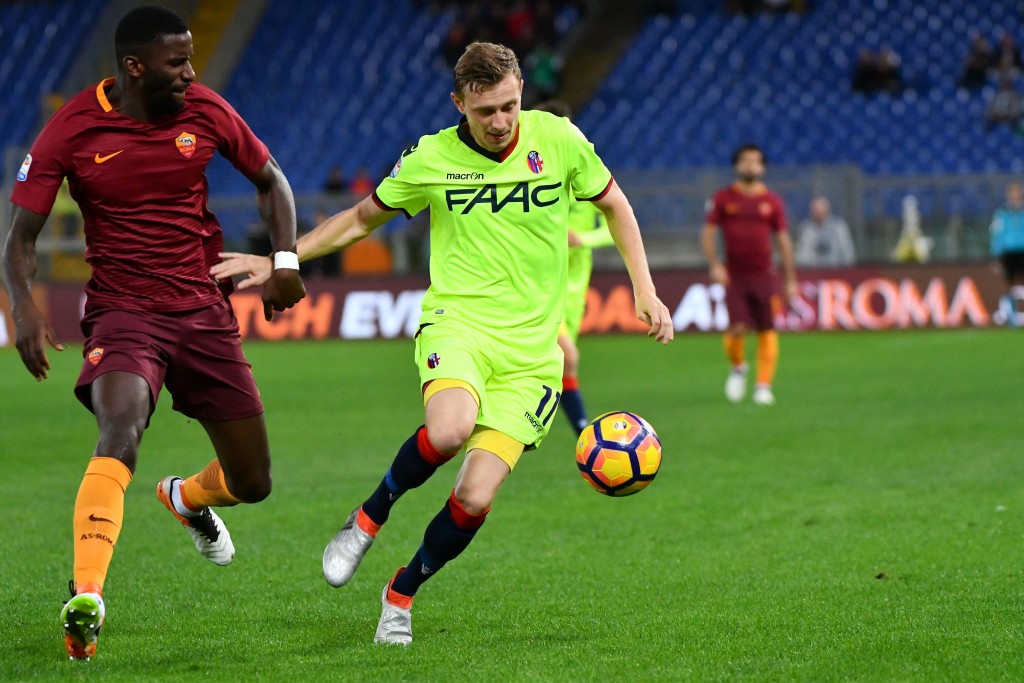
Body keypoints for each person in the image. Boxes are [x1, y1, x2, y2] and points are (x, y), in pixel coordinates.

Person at [213, 41, 673, 645]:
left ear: (520, 93)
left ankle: (400, 593)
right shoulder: (431, 158)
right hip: (459, 325)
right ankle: (368, 517)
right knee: (450, 428)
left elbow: (614, 204)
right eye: (485, 111)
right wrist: (281, 258)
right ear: (459, 103)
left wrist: (644, 288)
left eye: (509, 106)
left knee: (475, 496)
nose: (500, 122)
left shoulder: (559, 139)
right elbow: (361, 218)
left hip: (533, 355)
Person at [1, 6, 305, 660]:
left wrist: (285, 261)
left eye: (191, 58)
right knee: (121, 429)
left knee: (253, 481)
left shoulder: (205, 109)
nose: (191, 72)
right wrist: (22, 306)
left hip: (202, 311)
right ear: (135, 67)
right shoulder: (73, 127)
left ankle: (186, 497)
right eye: (178, 62)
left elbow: (271, 180)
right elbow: (19, 238)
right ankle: (87, 595)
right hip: (123, 313)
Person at [534, 99, 615, 434]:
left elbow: (615, 224)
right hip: (537, 285)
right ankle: (584, 433)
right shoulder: (528, 182)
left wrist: (583, 238)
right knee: (567, 356)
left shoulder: (584, 177)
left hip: (575, 288)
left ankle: (526, 425)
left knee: (559, 365)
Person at [702, 143, 796, 406]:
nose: (750, 166)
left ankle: (763, 386)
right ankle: (738, 367)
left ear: (763, 167)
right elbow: (708, 234)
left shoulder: (772, 202)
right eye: (745, 161)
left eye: (755, 161)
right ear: (736, 165)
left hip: (764, 275)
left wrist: (791, 278)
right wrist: (715, 265)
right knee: (736, 328)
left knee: (767, 329)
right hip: (735, 275)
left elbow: (783, 240)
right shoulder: (723, 199)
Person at [990, 181, 1024, 327]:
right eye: (1012, 194)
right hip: (1008, 253)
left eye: (1016, 193)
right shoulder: (1002, 214)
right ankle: (1010, 316)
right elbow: (997, 234)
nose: (1014, 196)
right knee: (1007, 285)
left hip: (1022, 251)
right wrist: (996, 255)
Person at [795, 197, 856, 267]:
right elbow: (801, 253)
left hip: (836, 269)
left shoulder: (838, 226)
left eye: (818, 211)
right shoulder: (806, 228)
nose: (816, 213)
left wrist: (848, 268)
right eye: (814, 210)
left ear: (826, 210)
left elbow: (847, 251)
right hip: (812, 270)